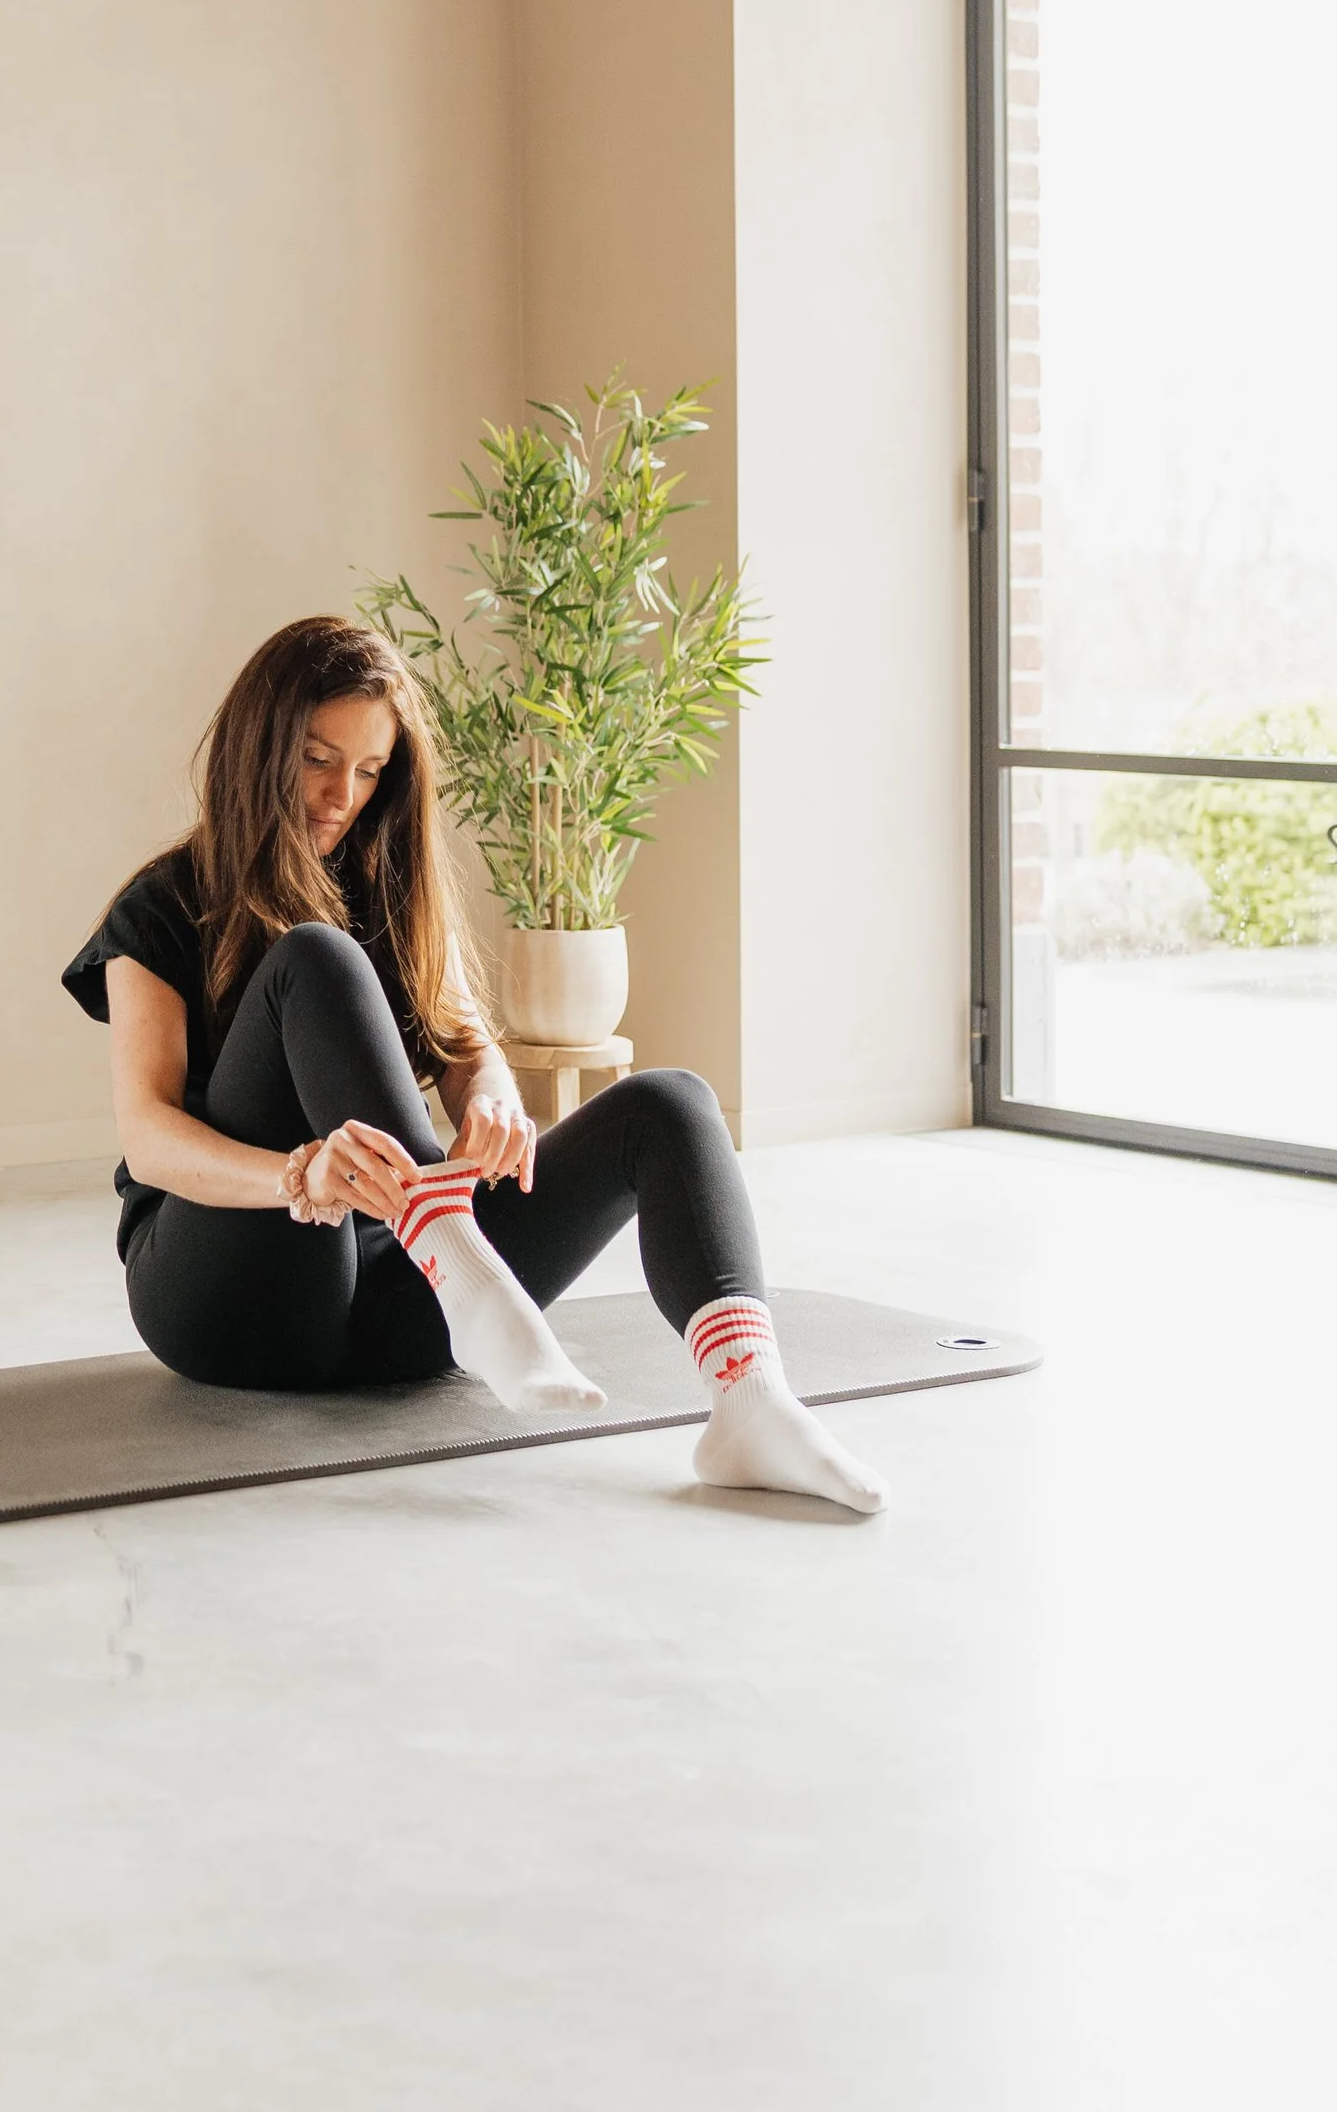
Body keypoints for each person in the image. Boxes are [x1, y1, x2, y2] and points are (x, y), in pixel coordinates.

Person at [61, 615, 885, 1515]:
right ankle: (466, 1271)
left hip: (399, 1306)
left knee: (671, 1105)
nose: (344, 793)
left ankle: (750, 1404)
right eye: (317, 759)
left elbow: (468, 1054)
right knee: (314, 958)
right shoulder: (164, 907)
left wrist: (494, 1103)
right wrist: (300, 1176)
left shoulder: (387, 885)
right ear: (258, 751)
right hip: (230, 1297)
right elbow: (149, 1140)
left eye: (371, 770)